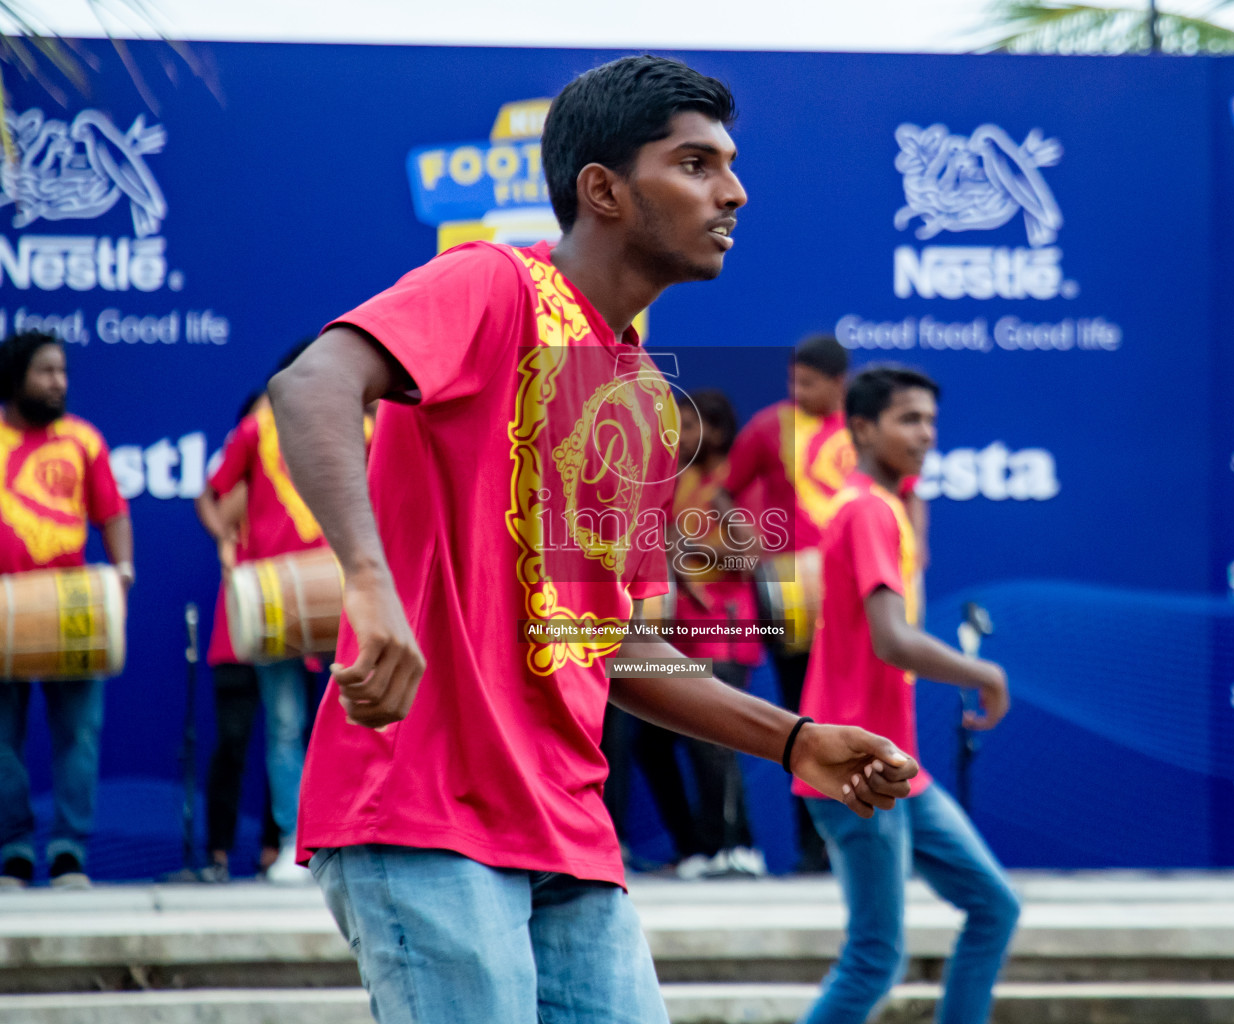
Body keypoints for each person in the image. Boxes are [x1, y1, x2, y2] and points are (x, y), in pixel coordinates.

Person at [268, 55, 922, 1024]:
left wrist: (790, 738)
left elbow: (603, 639)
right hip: (421, 808)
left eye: (730, 164)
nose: (734, 190)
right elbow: (311, 384)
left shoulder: (648, 404)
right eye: (696, 163)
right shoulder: (492, 284)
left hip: (568, 829)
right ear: (603, 189)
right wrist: (369, 580)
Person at [794, 365, 1020, 1024]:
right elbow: (892, 639)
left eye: (930, 421)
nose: (925, 434)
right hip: (855, 767)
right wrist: (988, 675)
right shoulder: (866, 511)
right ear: (862, 428)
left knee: (993, 906)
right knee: (874, 956)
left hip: (894, 768)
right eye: (908, 420)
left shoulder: (885, 507)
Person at [0, 330, 133, 890]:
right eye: (46, 372)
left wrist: (122, 568)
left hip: (71, 609)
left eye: (62, 371)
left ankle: (68, 852)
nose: (59, 382)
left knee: (79, 735)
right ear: (16, 377)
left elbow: (112, 513)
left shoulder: (83, 440)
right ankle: (13, 850)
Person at [196, 345, 329, 886]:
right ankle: (298, 842)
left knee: (369, 712)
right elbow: (211, 494)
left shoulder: (357, 424)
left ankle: (366, 834)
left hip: (346, 588)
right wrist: (225, 540)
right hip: (279, 598)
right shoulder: (258, 430)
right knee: (284, 724)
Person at [726, 333, 855, 871]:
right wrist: (746, 535)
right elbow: (725, 489)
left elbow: (907, 496)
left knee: (856, 708)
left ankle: (864, 841)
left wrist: (913, 560)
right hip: (787, 584)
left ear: (837, 384)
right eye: (791, 381)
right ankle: (813, 847)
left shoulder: (863, 430)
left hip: (855, 587)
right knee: (805, 710)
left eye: (808, 383)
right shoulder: (770, 426)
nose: (796, 391)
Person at [632, 389, 767, 879]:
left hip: (724, 632)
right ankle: (697, 846)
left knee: (718, 741)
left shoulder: (734, 484)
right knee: (656, 743)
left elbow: (750, 560)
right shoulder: (674, 480)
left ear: (719, 431)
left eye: (691, 426)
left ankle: (737, 849)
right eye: (677, 425)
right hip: (676, 635)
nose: (682, 435)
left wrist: (685, 548)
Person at [198, 393, 286, 883]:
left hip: (291, 621)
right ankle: (218, 852)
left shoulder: (302, 470)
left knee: (288, 736)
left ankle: (279, 845)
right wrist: (225, 543)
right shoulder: (245, 479)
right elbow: (214, 507)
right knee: (233, 741)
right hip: (240, 627)